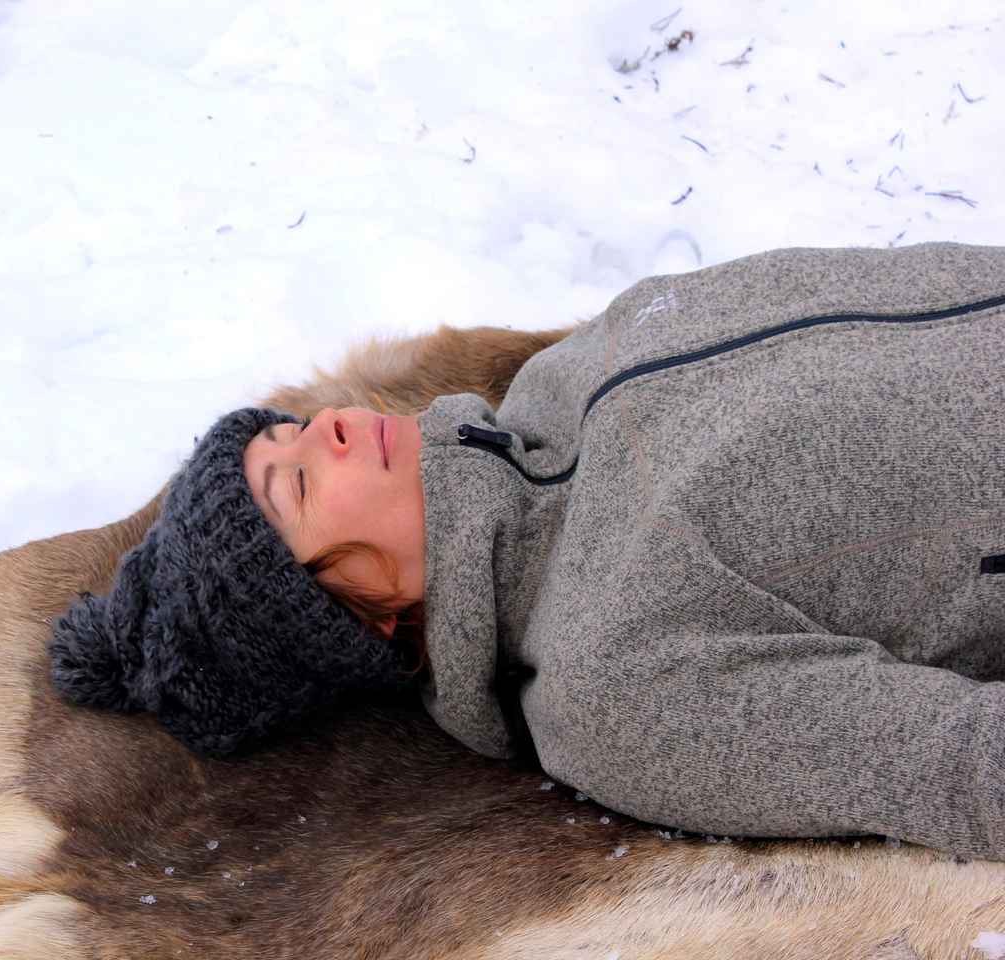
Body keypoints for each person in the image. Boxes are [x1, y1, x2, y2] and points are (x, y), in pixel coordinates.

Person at [50, 240, 1005, 863]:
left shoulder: (560, 378)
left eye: (291, 431)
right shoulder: (615, 689)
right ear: (357, 612)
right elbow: (962, 770)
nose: (330, 425)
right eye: (296, 484)